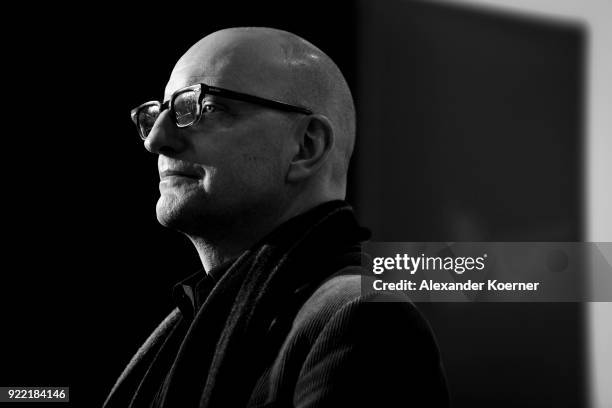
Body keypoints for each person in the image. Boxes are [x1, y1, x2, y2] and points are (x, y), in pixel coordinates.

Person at [104, 27, 449, 407]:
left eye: (203, 107)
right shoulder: (190, 322)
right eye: (158, 113)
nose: (155, 140)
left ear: (306, 146)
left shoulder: (366, 323)